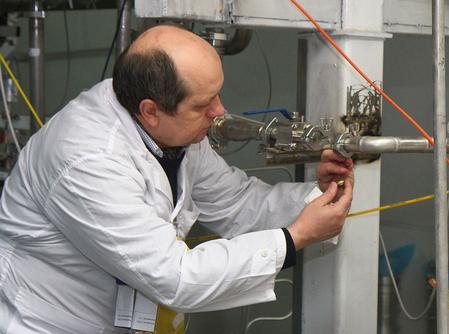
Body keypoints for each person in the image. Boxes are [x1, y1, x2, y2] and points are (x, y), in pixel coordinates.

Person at [0, 25, 354, 333]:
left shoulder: (172, 129)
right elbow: (176, 277)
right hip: (49, 325)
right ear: (150, 110)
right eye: (203, 105)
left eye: (217, 95)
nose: (219, 112)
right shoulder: (86, 160)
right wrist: (295, 238)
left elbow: (237, 203)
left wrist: (317, 198)